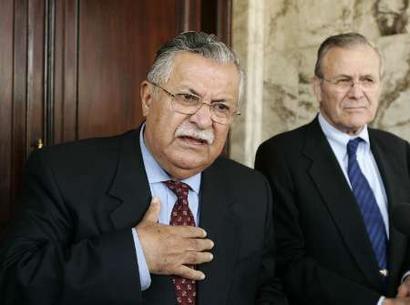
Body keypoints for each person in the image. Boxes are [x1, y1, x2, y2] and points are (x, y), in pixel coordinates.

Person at [0, 32, 286, 305]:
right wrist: (136, 254)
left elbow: (265, 287)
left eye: (221, 107)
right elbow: (17, 283)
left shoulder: (251, 189)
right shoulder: (62, 172)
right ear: (148, 98)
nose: (203, 120)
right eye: (188, 97)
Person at [255, 32, 410, 305]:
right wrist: (378, 304)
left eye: (367, 80)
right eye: (343, 81)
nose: (357, 92)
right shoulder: (281, 156)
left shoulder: (400, 151)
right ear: (317, 88)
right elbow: (287, 260)